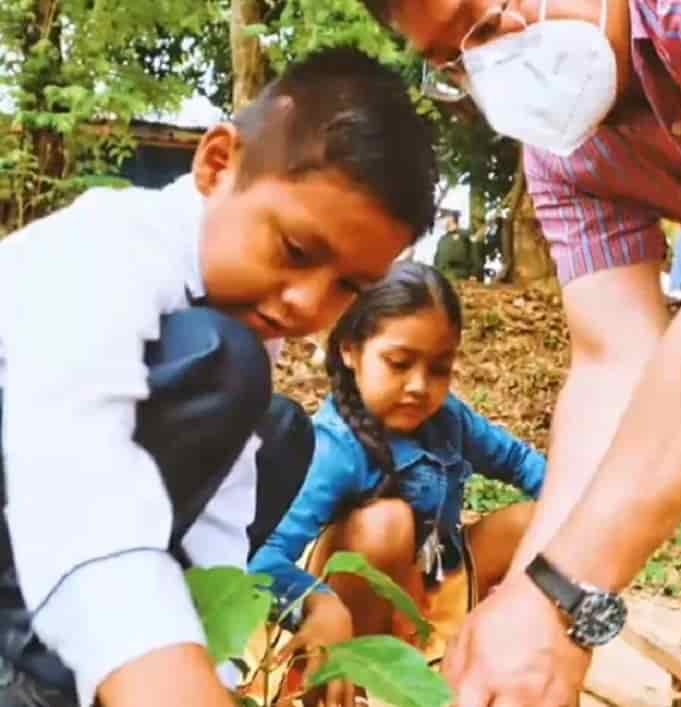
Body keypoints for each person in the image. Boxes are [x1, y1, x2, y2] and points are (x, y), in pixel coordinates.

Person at [357, 0, 681, 705]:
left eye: (485, 22)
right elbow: (614, 363)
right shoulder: (563, 154)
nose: (489, 65)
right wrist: (529, 600)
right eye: (455, 62)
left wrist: (560, 594)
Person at [0, 48, 437, 707]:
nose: (306, 304)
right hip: (39, 483)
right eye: (294, 250)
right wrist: (156, 672)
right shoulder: (103, 250)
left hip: (68, 525)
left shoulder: (247, 324)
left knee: (279, 433)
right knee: (221, 362)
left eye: (347, 286)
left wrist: (221, 673)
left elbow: (217, 526)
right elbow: (76, 464)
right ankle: (32, 664)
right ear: (216, 165)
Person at [249, 261, 546, 707]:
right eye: (399, 363)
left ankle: (485, 662)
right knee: (386, 522)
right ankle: (348, 691)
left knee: (542, 519)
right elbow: (263, 562)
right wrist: (320, 606)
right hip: (351, 617)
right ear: (350, 351)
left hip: (431, 588)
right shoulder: (335, 448)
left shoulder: (449, 420)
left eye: (440, 368)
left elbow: (523, 465)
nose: (419, 386)